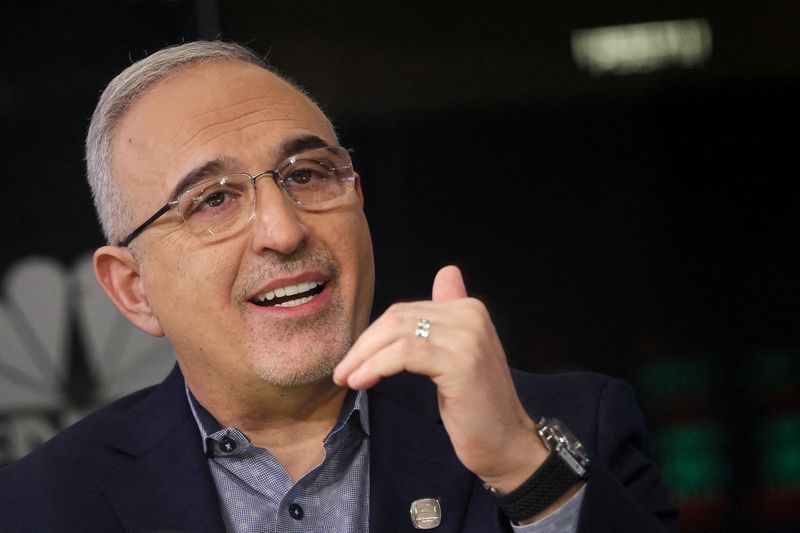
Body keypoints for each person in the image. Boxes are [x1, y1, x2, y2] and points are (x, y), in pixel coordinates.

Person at [0, 41, 677, 532]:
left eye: (307, 174)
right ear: (132, 289)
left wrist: (525, 471)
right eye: (211, 200)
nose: (283, 230)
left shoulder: (568, 427)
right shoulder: (39, 506)